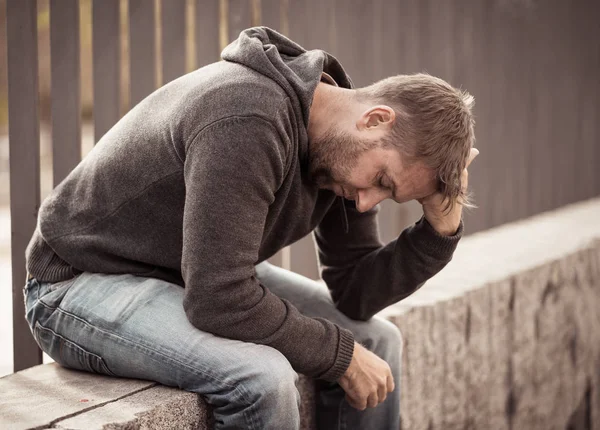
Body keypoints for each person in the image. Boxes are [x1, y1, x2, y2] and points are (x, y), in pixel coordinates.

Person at [23, 27, 477, 429]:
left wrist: (440, 227)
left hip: (180, 274)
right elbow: (219, 298)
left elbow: (355, 293)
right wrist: (339, 355)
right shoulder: (248, 118)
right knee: (262, 380)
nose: (365, 201)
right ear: (375, 119)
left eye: (387, 195)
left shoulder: (342, 150)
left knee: (378, 340)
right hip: (76, 284)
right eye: (381, 181)